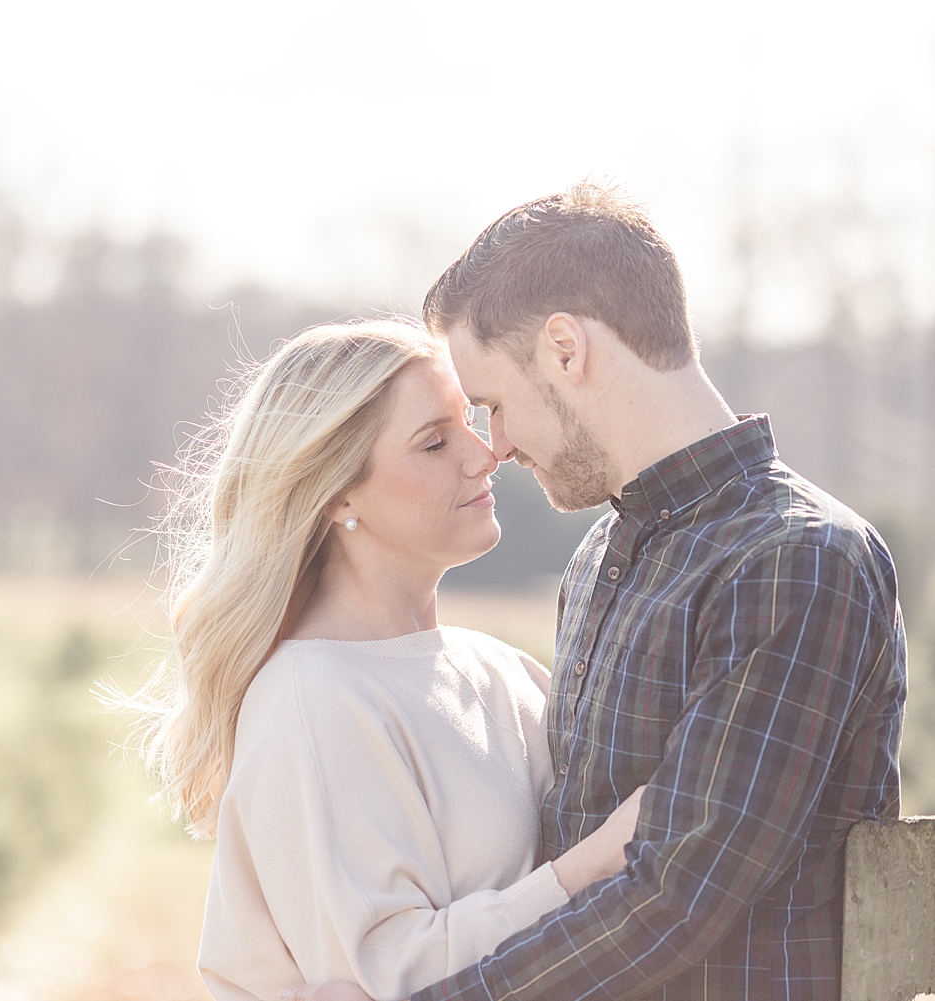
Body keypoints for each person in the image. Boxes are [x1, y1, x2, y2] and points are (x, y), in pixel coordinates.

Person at [285, 185, 907, 1001]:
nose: (495, 446)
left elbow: (675, 894)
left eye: (496, 405)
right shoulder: (602, 557)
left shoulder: (796, 558)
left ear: (566, 349)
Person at [122, 318, 644, 1001]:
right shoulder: (311, 699)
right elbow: (388, 977)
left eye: (469, 422)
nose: (483, 455)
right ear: (338, 492)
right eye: (434, 441)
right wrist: (592, 867)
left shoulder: (500, 670)